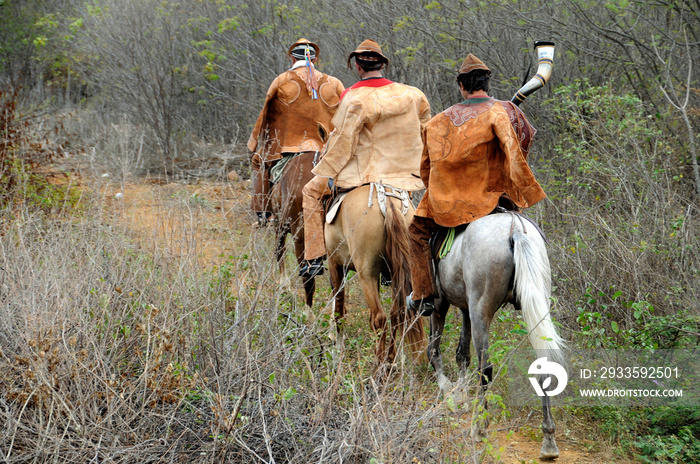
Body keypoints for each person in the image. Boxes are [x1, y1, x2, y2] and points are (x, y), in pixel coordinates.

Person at [406, 53, 547, 316]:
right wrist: (522, 190)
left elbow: (426, 170)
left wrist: (440, 191)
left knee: (416, 232)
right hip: (490, 200)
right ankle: (519, 285)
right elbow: (517, 154)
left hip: (446, 205)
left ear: (461, 85)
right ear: (487, 83)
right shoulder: (500, 113)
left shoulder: (436, 123)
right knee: (524, 229)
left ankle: (423, 295)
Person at [299, 39, 431, 277]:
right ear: (382, 65)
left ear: (358, 67)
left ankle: (315, 258)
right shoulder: (413, 95)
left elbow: (343, 140)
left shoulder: (351, 95)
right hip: (401, 176)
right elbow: (426, 132)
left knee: (310, 192)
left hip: (360, 174)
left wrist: (326, 167)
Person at [247, 38, 345, 227]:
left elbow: (266, 111)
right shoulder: (334, 83)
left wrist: (255, 141)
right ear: (314, 60)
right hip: (327, 148)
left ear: (291, 58)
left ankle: (264, 214)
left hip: (290, 146)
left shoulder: (282, 80)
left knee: (259, 160)